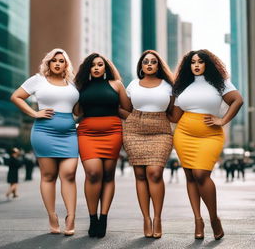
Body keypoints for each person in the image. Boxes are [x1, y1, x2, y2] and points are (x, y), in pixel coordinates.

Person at [169, 49, 243, 240]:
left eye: (200, 62)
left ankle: (213, 218)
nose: (196, 65)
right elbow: (175, 116)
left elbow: (238, 100)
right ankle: (197, 220)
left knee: (201, 175)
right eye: (192, 62)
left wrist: (223, 120)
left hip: (210, 135)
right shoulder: (182, 85)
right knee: (190, 176)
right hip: (184, 134)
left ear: (207, 64)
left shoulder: (220, 82)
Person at [10, 48, 79, 235]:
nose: (57, 63)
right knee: (48, 176)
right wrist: (34, 113)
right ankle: (52, 216)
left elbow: (78, 110)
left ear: (66, 64)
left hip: (70, 134)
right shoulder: (37, 80)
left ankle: (71, 217)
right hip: (44, 132)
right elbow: (16, 96)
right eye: (54, 60)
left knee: (69, 174)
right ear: (48, 63)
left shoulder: (72, 84)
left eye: (61, 60)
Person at [74, 53, 131, 238]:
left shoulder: (116, 84)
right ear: (88, 69)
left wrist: (114, 108)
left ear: (106, 67)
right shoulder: (81, 86)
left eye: (100, 64)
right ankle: (92, 218)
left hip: (113, 132)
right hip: (87, 133)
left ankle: (103, 218)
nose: (97, 68)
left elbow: (127, 109)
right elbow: (77, 112)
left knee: (108, 175)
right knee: (93, 173)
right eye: (93, 65)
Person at [123, 50, 174, 238]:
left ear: (159, 65)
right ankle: (146, 218)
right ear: (141, 65)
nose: (150, 64)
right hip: (134, 130)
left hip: (160, 130)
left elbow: (173, 112)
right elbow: (126, 109)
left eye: (153, 62)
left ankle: (158, 218)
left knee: (154, 172)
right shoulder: (133, 85)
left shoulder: (169, 86)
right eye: (146, 61)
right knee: (140, 174)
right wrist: (134, 120)